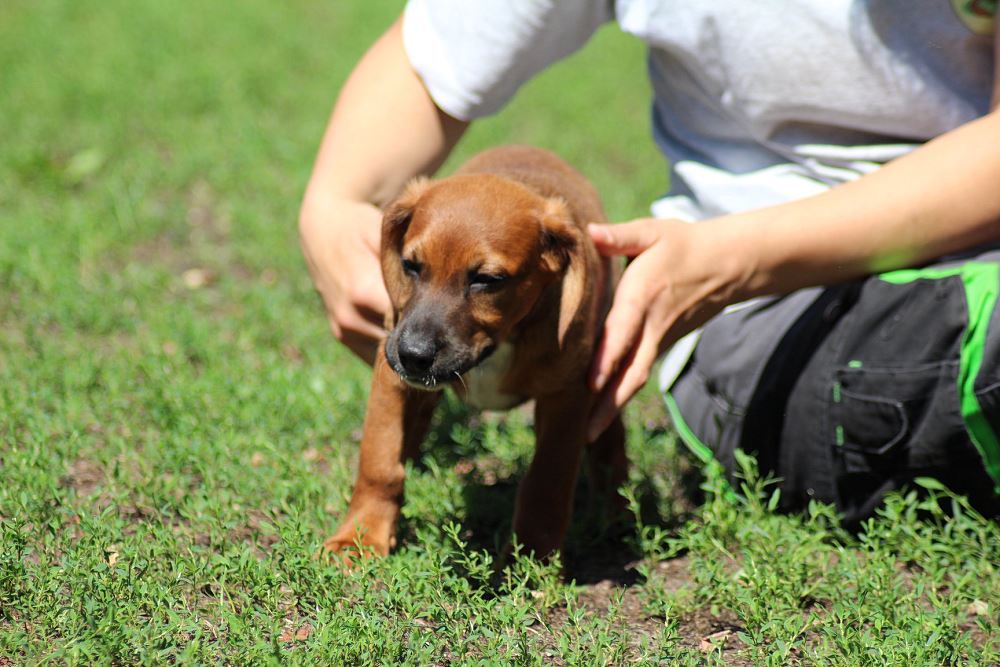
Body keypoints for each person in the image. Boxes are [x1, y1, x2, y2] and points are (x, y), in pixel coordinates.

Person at [299, 1, 1000, 523]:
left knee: (568, 390)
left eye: (486, 280)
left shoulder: (568, 280)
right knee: (415, 357)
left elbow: (570, 384)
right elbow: (429, 58)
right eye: (413, 267)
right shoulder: (441, 266)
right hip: (761, 317)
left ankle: (600, 473)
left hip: (948, 269)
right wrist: (330, 204)